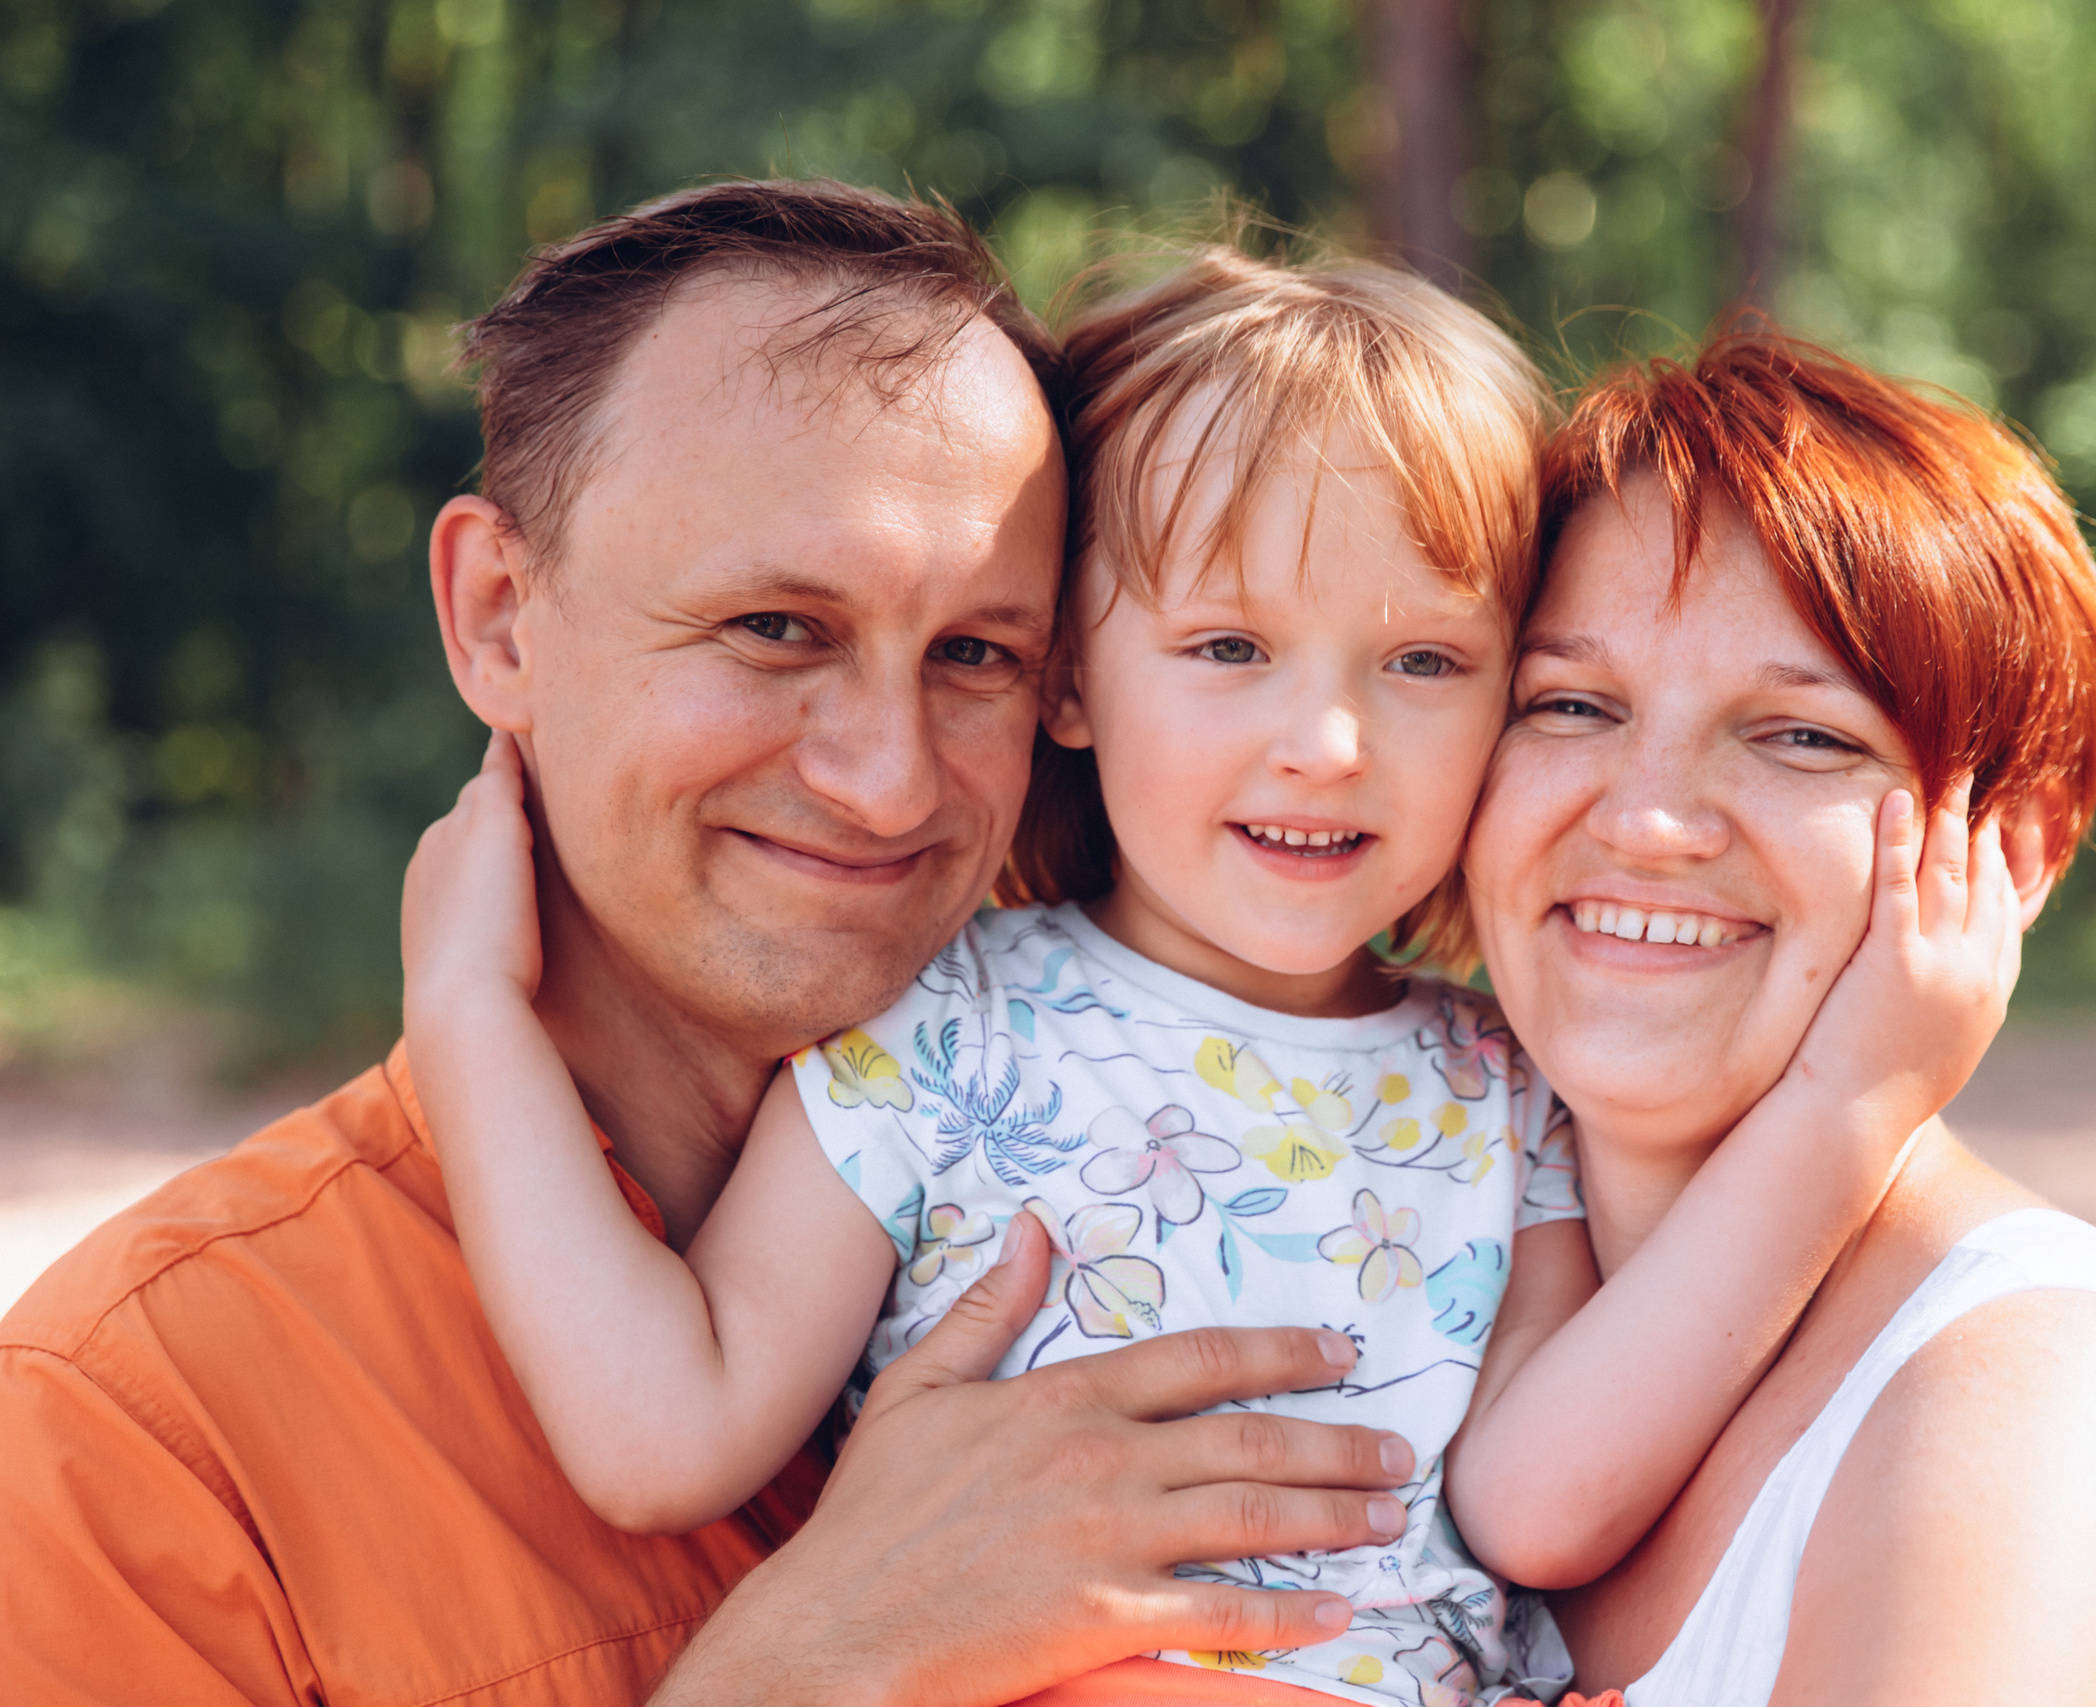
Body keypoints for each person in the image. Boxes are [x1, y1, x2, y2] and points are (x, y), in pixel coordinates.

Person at [397, 249, 2026, 1707]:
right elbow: (660, 1433)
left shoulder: (1499, 1083)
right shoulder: (947, 1030)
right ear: (1068, 682)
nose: (1325, 745)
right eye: (1230, 649)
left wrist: (1847, 1105)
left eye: (1424, 663)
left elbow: (1539, 1501)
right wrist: (472, 1018)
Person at [0, 182, 1439, 1706]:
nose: (888, 779)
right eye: (776, 629)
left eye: (974, 655)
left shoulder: (1278, 1195)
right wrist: (809, 1665)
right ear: (500, 617)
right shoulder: (138, 1433)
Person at [1460, 333, 2096, 1706]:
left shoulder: (2029, 1400)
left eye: (1802, 735)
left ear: (2021, 851)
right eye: (1571, 705)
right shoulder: (1401, 1301)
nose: (1642, 817)